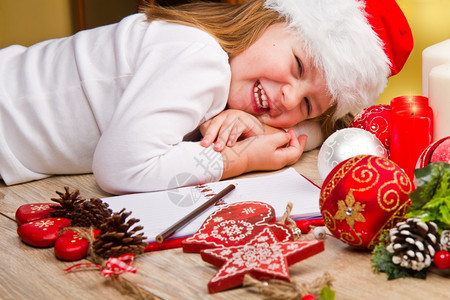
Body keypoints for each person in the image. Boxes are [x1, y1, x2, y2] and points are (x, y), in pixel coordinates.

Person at [0, 0, 412, 194]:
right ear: (265, 18)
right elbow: (120, 169)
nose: (289, 97)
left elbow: (312, 132)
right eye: (300, 66)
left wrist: (262, 126)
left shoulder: (224, 64)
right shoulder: (200, 59)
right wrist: (242, 158)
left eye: (308, 104)